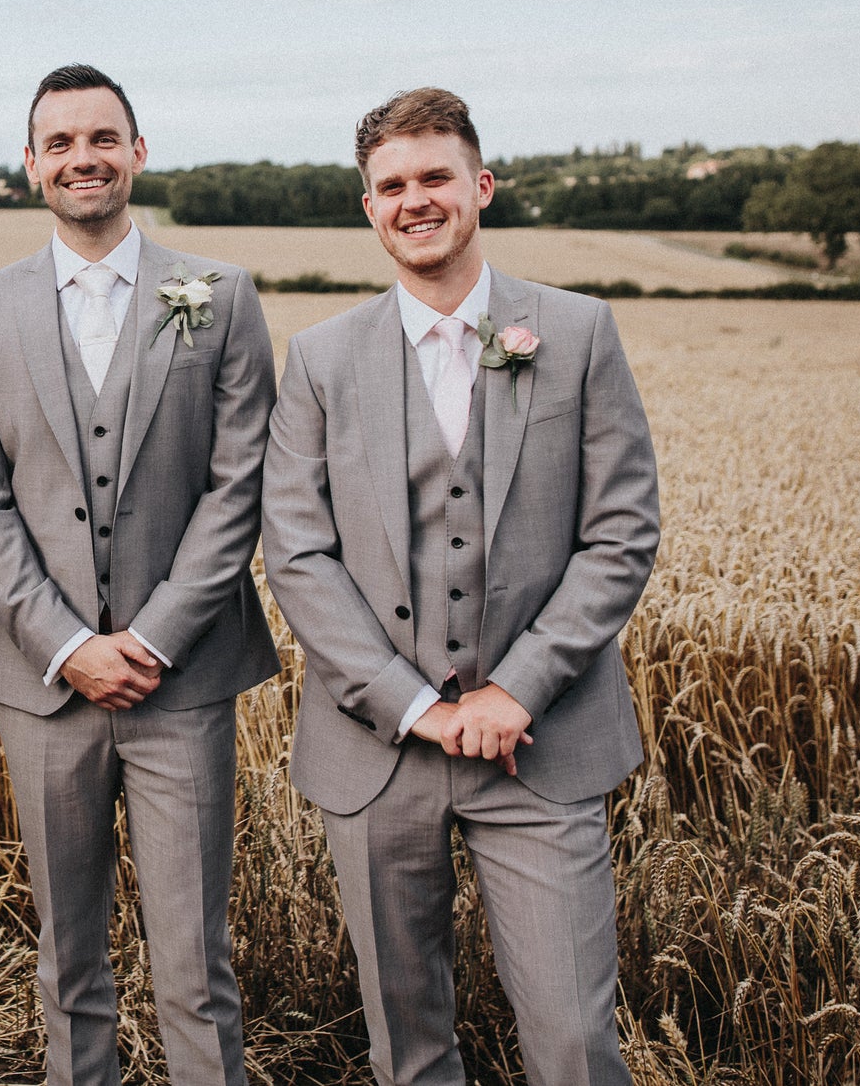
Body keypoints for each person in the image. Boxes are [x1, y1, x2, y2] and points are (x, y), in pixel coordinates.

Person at [261, 87, 661, 1086]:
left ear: (478, 186)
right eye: (388, 185)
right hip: (374, 755)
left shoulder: (573, 333)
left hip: (544, 747)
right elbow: (298, 556)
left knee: (571, 1041)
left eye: (433, 176)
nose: (413, 200)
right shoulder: (317, 359)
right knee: (409, 1048)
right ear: (367, 208)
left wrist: (512, 689)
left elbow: (618, 535)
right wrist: (411, 707)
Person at [0, 64, 278, 1085]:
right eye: (59, 143)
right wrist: (67, 645)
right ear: (30, 167)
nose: (81, 158)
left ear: (137, 152)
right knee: (67, 956)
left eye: (101, 139)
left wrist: (154, 636)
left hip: (184, 679)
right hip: (40, 687)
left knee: (192, 959)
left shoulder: (220, 298)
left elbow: (238, 484)